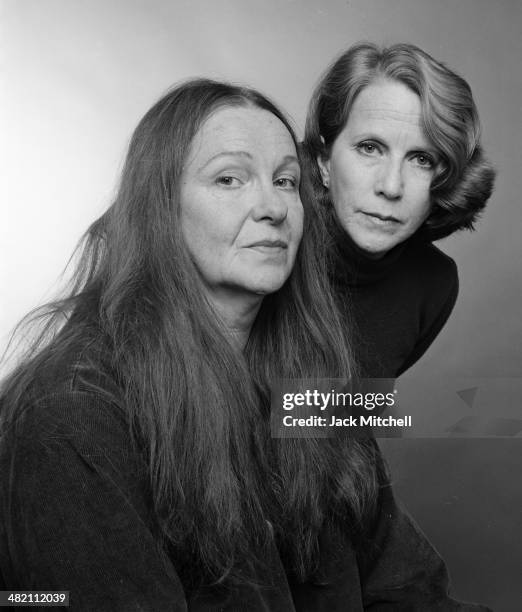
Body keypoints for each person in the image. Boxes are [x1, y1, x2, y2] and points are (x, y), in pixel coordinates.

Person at [0, 79, 490, 611]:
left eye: (285, 181)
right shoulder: (74, 413)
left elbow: (407, 590)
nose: (272, 207)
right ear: (159, 208)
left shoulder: (313, 389)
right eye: (230, 178)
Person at [302, 42, 496, 378]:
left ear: (447, 179)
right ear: (324, 163)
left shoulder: (433, 283)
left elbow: (352, 415)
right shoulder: (265, 249)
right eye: (369, 148)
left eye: (422, 160)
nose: (391, 187)